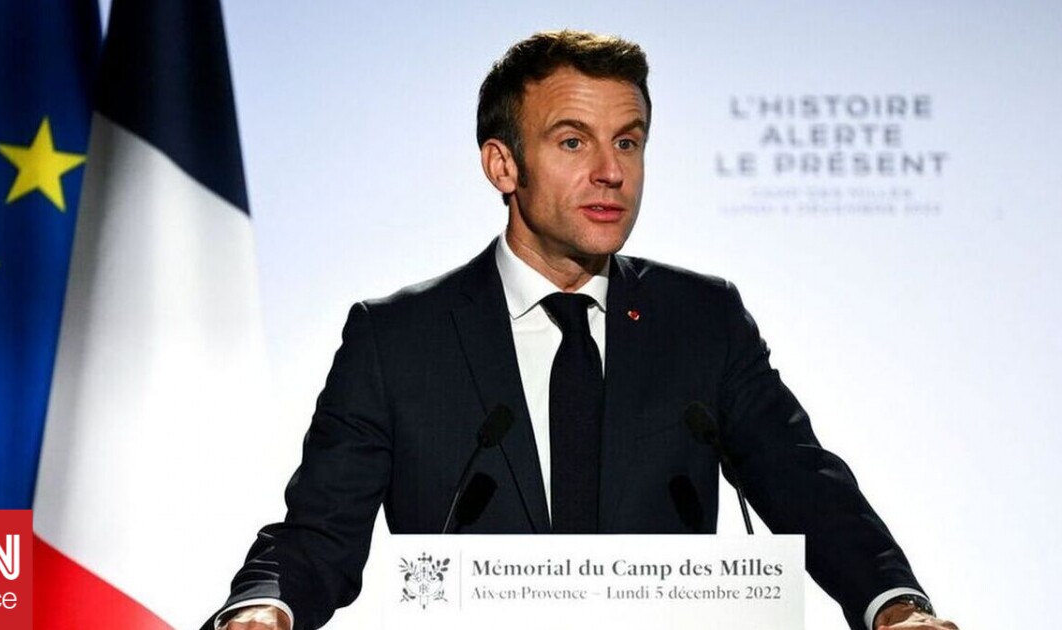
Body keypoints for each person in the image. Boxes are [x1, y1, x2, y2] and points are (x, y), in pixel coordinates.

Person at [209, 31, 959, 630]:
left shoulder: (702, 322)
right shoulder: (397, 340)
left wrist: (894, 605)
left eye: (627, 142)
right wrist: (265, 607)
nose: (611, 172)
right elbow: (317, 535)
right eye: (573, 142)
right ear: (503, 165)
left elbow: (804, 485)